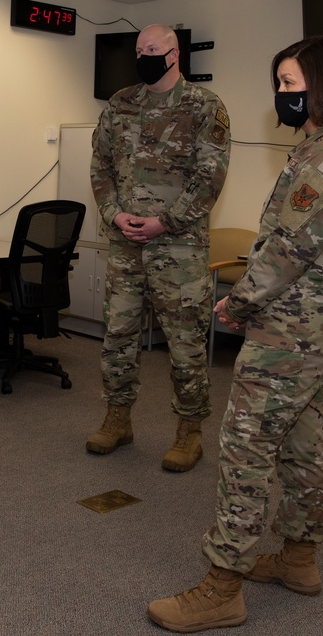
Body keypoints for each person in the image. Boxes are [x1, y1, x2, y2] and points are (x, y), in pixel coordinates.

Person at [147, 35, 323, 631]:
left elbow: (290, 248)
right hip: (312, 324)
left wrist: (239, 302)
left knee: (245, 448)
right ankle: (299, 559)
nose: (281, 95)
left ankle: (223, 584)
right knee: (303, 444)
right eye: (279, 84)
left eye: (291, 84)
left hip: (291, 328)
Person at [86, 24, 230, 471]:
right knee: (118, 337)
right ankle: (117, 419)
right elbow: (101, 166)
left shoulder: (205, 107)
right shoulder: (120, 103)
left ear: (174, 54)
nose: (144, 55)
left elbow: (210, 178)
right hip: (126, 244)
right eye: (138, 49)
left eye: (152, 49)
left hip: (179, 249)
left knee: (185, 343)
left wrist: (163, 222)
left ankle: (190, 432)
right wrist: (112, 213)